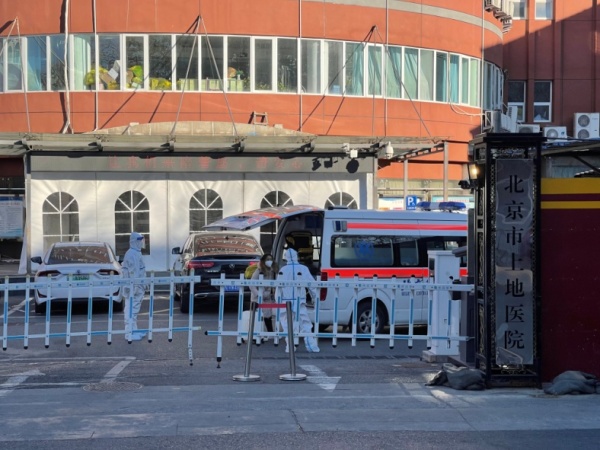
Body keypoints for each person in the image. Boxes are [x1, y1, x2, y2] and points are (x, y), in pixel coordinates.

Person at [277, 239, 320, 353]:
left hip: (285, 301)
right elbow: (312, 285)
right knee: (305, 323)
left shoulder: (283, 270)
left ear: (286, 257)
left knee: (286, 324)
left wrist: (278, 300)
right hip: (299, 299)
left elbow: (278, 288)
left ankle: (290, 346)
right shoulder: (303, 268)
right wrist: (315, 297)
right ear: (297, 256)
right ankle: (311, 346)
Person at [122, 232, 147, 341]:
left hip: (137, 286)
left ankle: (134, 330)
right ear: (134, 241)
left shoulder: (135, 253)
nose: (141, 243)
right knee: (131, 309)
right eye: (139, 240)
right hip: (134, 287)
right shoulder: (132, 254)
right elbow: (133, 273)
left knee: (134, 309)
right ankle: (129, 333)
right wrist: (135, 287)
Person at [249, 253, 279, 335]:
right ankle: (257, 333)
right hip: (258, 297)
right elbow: (251, 284)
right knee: (258, 316)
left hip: (268, 297)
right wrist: (258, 294)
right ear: (263, 261)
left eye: (271, 259)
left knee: (268, 315)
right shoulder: (258, 271)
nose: (269, 261)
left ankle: (270, 333)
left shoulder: (273, 271)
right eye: (267, 259)